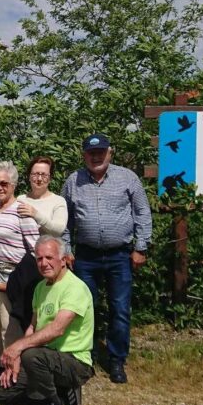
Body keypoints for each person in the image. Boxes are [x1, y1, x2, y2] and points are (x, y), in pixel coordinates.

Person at [61, 133, 152, 384]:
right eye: (91, 153)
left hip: (119, 255)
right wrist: (66, 248)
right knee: (83, 309)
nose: (96, 156)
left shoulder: (127, 178)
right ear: (84, 155)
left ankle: (116, 360)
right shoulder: (73, 181)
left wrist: (141, 248)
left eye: (101, 152)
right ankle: (84, 357)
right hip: (85, 257)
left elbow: (142, 212)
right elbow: (64, 219)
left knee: (120, 309)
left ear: (110, 153)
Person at [0, 236, 94, 405]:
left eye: (49, 257)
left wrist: (19, 348)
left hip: (74, 361)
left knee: (32, 355)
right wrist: (17, 358)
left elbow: (57, 329)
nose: (44, 263)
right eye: (39, 259)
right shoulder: (41, 287)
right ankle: (63, 391)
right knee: (0, 393)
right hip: (45, 358)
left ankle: (55, 404)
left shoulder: (75, 288)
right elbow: (32, 327)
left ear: (63, 260)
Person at [0, 161, 40, 380]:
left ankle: (13, 364)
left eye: (4, 183)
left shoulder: (21, 212)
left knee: (8, 323)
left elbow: (34, 247)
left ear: (13, 184)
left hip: (11, 278)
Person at [17, 156, 68, 238]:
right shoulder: (20, 200)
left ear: (50, 178)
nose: (39, 179)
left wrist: (36, 214)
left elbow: (59, 231)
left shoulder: (58, 201)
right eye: (36, 174)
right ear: (29, 176)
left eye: (44, 175)